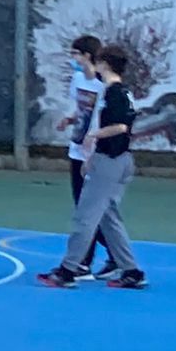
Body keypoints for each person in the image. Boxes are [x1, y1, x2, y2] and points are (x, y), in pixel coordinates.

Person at [39, 44, 146, 290]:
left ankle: (68, 270)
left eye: (98, 62)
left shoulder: (114, 93)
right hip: (116, 159)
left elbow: (120, 127)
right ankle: (131, 271)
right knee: (109, 217)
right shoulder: (122, 92)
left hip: (110, 160)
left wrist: (93, 136)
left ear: (105, 64)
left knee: (85, 217)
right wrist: (91, 157)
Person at [62, 38, 114, 278]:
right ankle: (108, 257)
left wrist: (92, 151)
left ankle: (88, 260)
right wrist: (70, 119)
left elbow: (102, 119)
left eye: (76, 54)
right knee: (82, 207)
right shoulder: (77, 80)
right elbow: (83, 109)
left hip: (92, 153)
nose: (73, 59)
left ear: (87, 56)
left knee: (90, 209)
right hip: (76, 148)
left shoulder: (103, 85)